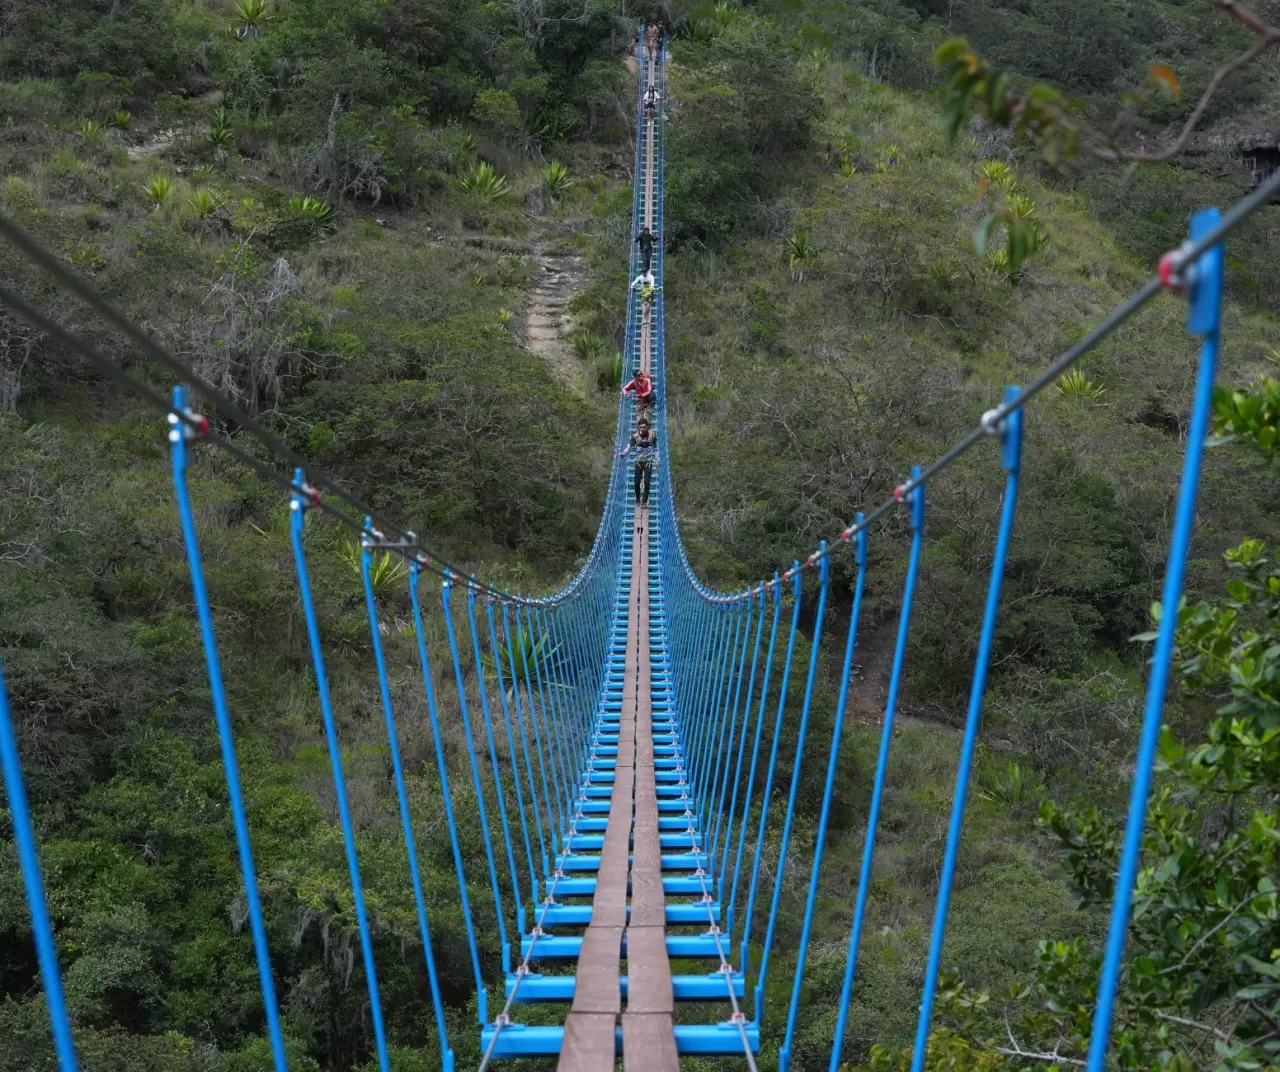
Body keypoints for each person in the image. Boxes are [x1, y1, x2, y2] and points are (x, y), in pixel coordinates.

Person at [618, 418, 657, 507]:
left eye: (644, 427)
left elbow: (656, 449)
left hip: (648, 461)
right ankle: (638, 499)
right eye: (640, 427)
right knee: (636, 482)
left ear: (647, 427)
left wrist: (658, 460)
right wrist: (623, 454)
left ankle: (644, 502)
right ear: (638, 428)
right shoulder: (635, 437)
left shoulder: (652, 436)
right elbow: (629, 447)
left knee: (647, 482)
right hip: (638, 461)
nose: (642, 429)